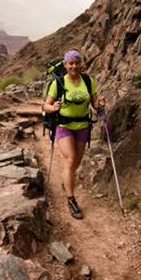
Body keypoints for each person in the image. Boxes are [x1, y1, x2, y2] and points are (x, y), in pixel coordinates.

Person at [43, 49, 105, 219]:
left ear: (81, 64)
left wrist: (99, 105)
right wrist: (53, 107)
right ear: (65, 65)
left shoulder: (88, 80)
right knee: (70, 160)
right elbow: (45, 106)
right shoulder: (59, 83)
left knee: (76, 162)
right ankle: (71, 200)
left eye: (77, 63)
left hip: (83, 125)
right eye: (71, 63)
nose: (74, 66)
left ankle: (67, 181)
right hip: (64, 126)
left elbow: (94, 103)